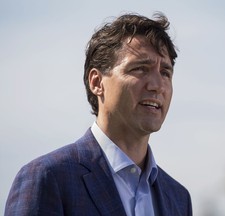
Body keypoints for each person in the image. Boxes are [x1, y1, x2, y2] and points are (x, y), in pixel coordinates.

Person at [5, 12, 192, 216]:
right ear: (96, 82)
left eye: (165, 73)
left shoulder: (179, 198)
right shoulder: (47, 178)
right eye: (140, 69)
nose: (157, 85)